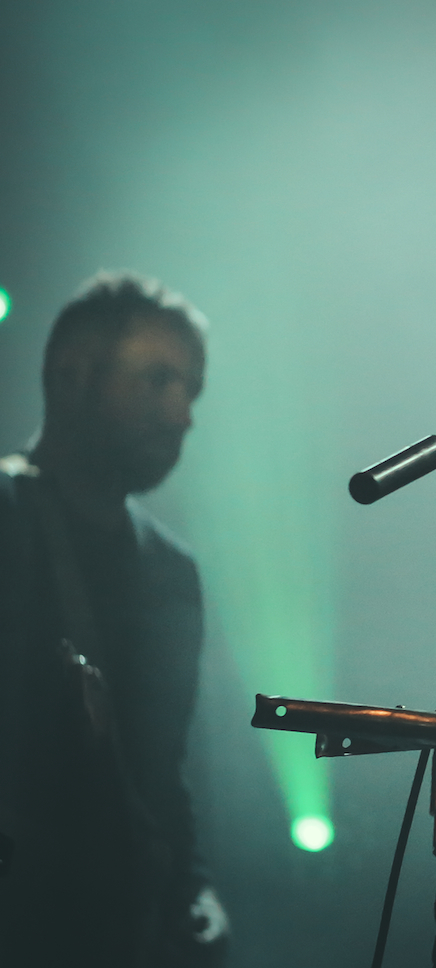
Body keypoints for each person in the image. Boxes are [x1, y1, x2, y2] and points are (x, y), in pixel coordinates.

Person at [0, 273, 228, 966]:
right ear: (70, 378)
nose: (184, 413)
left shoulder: (173, 571)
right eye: (158, 380)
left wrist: (192, 890)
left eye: (192, 388)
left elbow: (160, 770)